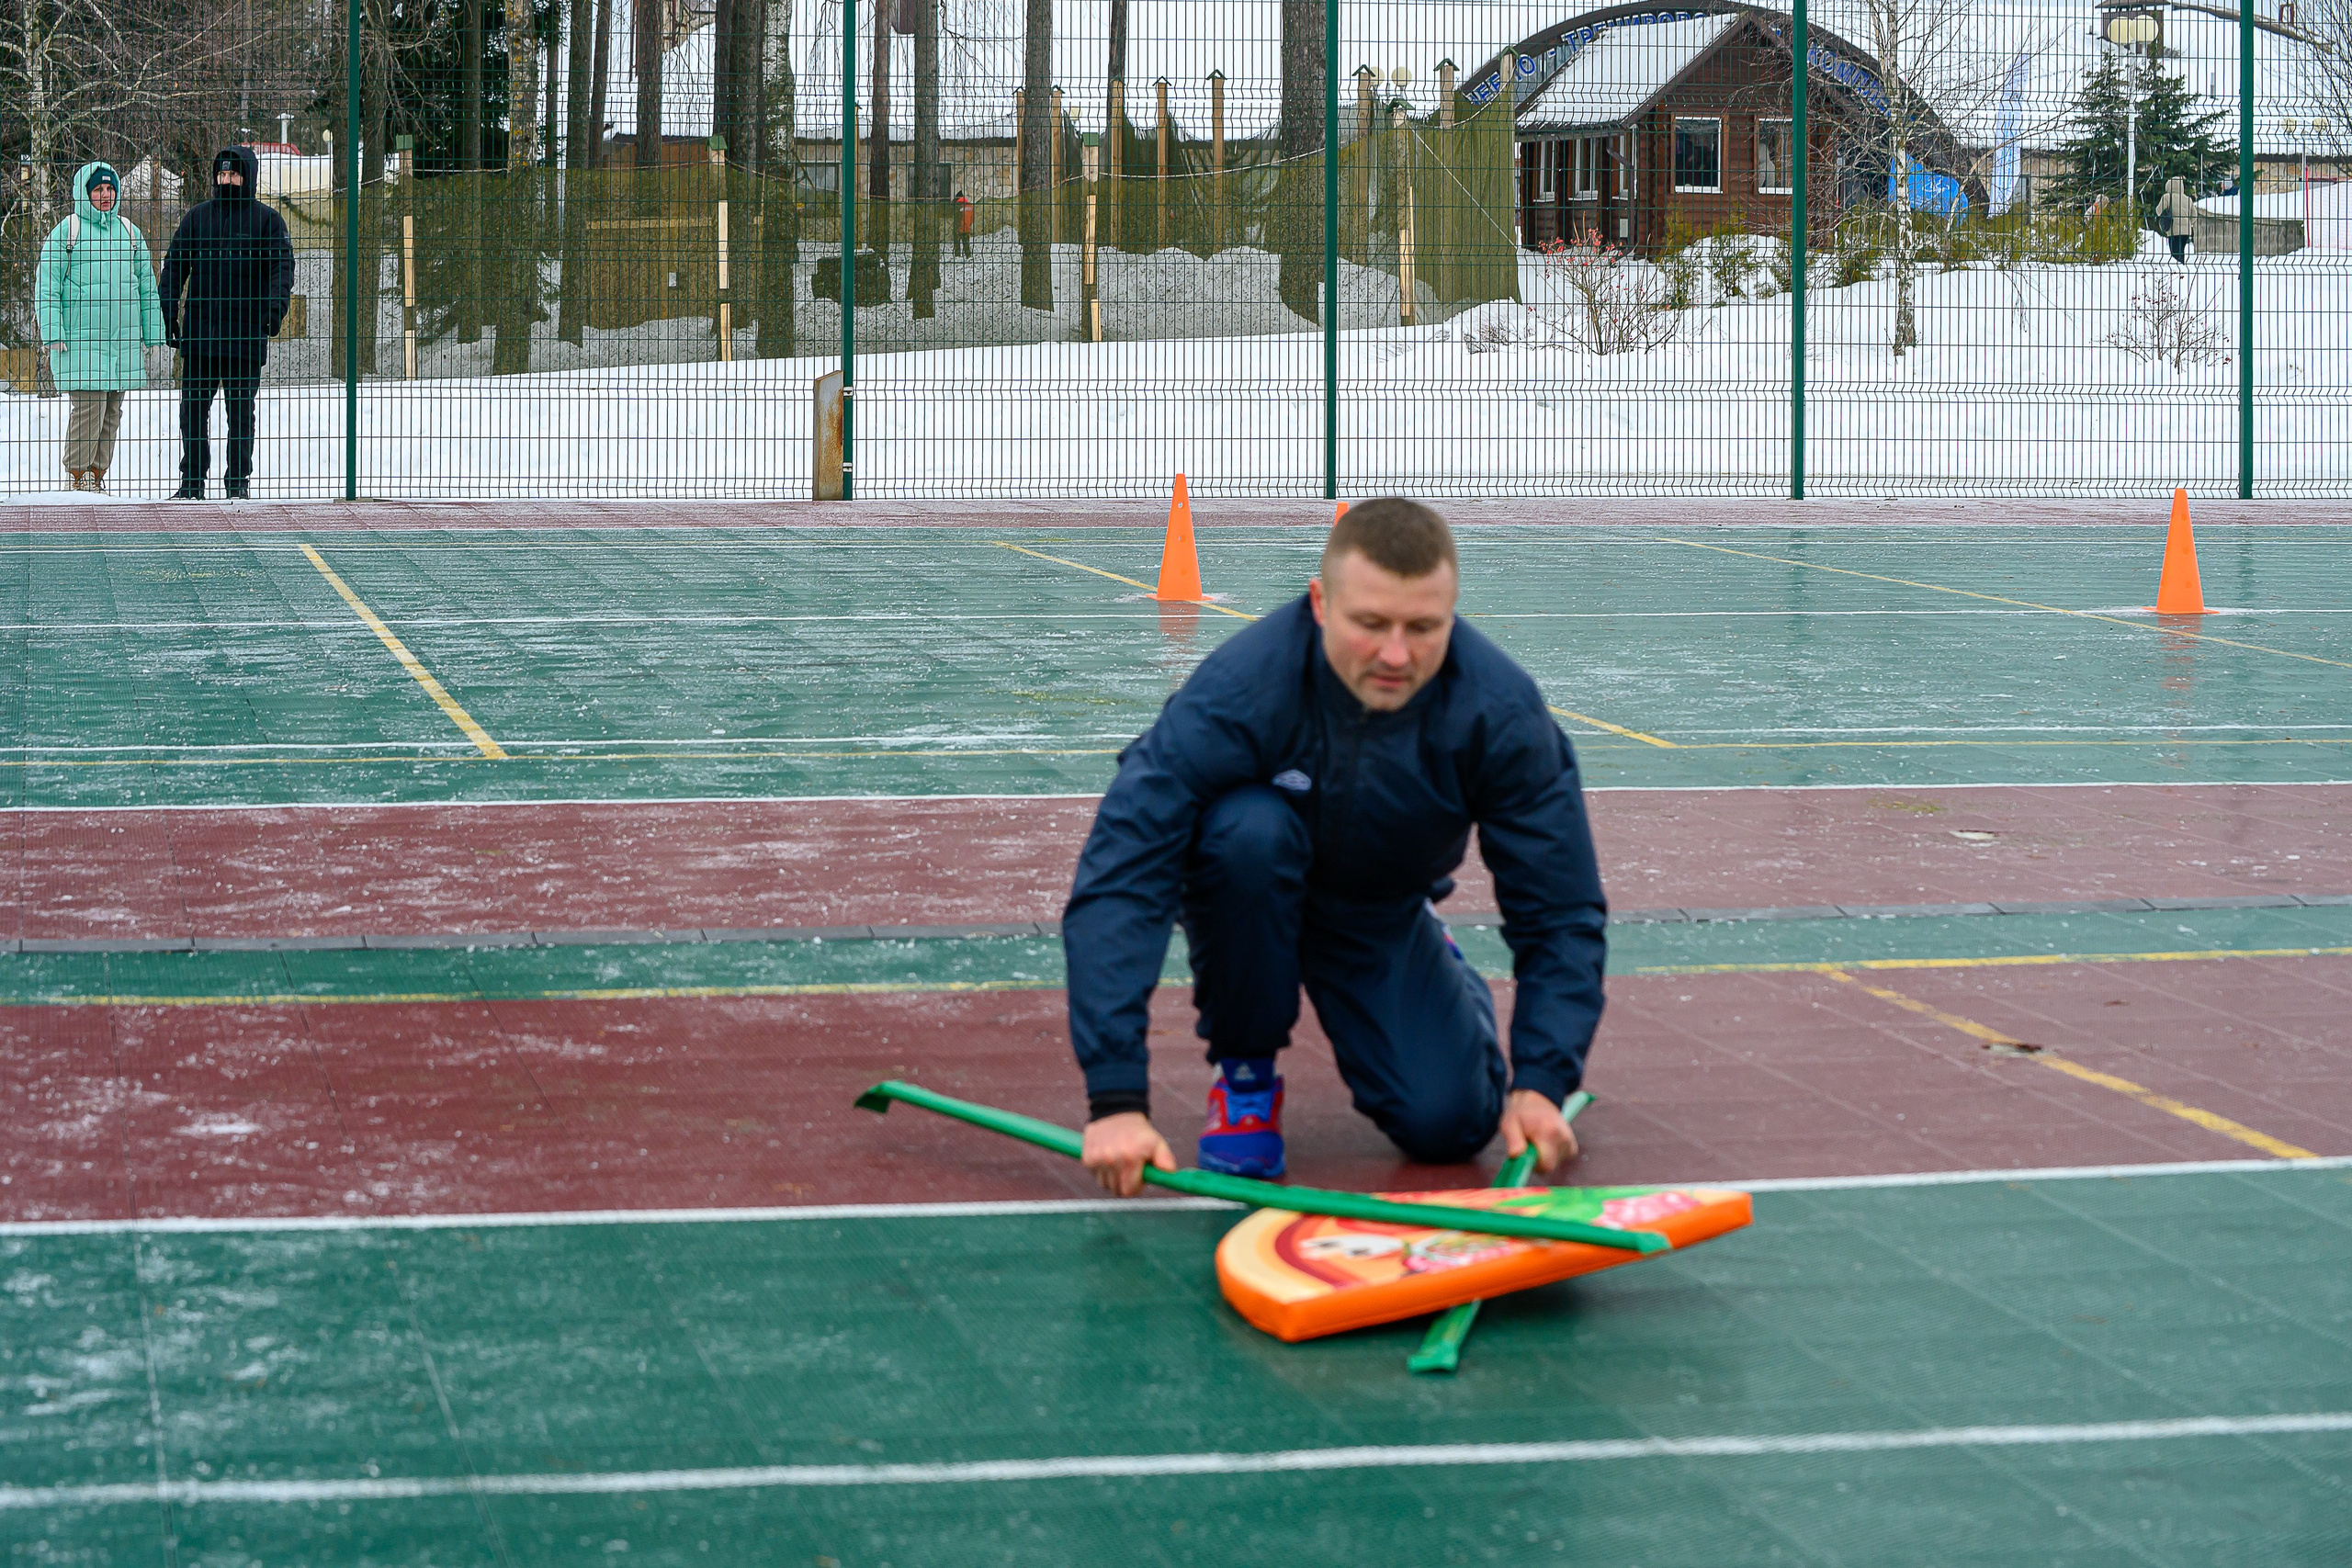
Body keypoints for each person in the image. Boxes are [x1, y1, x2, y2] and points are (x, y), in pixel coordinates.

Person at [1066, 499, 1607, 1195]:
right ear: (1320, 602)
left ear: (1453, 611)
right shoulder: (1240, 689)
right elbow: (1124, 870)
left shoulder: (1497, 713)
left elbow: (1561, 910)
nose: (1395, 653)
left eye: (1423, 627)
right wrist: (1114, 1098)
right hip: (1247, 891)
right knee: (1246, 834)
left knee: (1450, 1125)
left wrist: (1542, 1079)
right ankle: (1245, 1079)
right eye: (1371, 624)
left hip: (1375, 908)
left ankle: (1435, 968)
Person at [158, 146, 294, 500]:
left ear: (247, 177)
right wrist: (168, 310)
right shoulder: (197, 218)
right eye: (221, 175)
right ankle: (191, 483)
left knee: (240, 416)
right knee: (192, 414)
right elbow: (174, 265)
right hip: (201, 335)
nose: (227, 181)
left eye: (234, 175)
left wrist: (273, 309)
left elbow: (282, 269)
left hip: (245, 336)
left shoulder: (268, 221)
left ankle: (237, 483)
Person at [33, 163, 166, 494]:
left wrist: (152, 333)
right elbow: (46, 288)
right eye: (97, 190)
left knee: (111, 411)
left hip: (121, 342)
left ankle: (97, 474)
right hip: (80, 342)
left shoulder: (130, 233)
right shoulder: (68, 233)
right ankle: (77, 477)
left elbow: (147, 286)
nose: (105, 196)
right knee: (88, 410)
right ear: (84, 193)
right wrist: (53, 334)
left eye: (110, 189)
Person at [2155, 176, 2195, 265]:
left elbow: (2158, 211)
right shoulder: (2188, 199)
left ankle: (2178, 271)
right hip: (2186, 231)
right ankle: (2182, 268)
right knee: (2181, 251)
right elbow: (2194, 215)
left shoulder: (2167, 197)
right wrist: (2187, 223)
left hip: (2174, 230)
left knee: (2175, 253)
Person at [954, 190, 975, 258]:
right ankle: (968, 255)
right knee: (966, 243)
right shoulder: (970, 206)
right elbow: (972, 218)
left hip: (959, 227)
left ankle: (957, 256)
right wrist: (968, 224)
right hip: (967, 228)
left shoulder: (958, 206)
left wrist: (956, 227)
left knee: (957, 243)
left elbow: (957, 218)